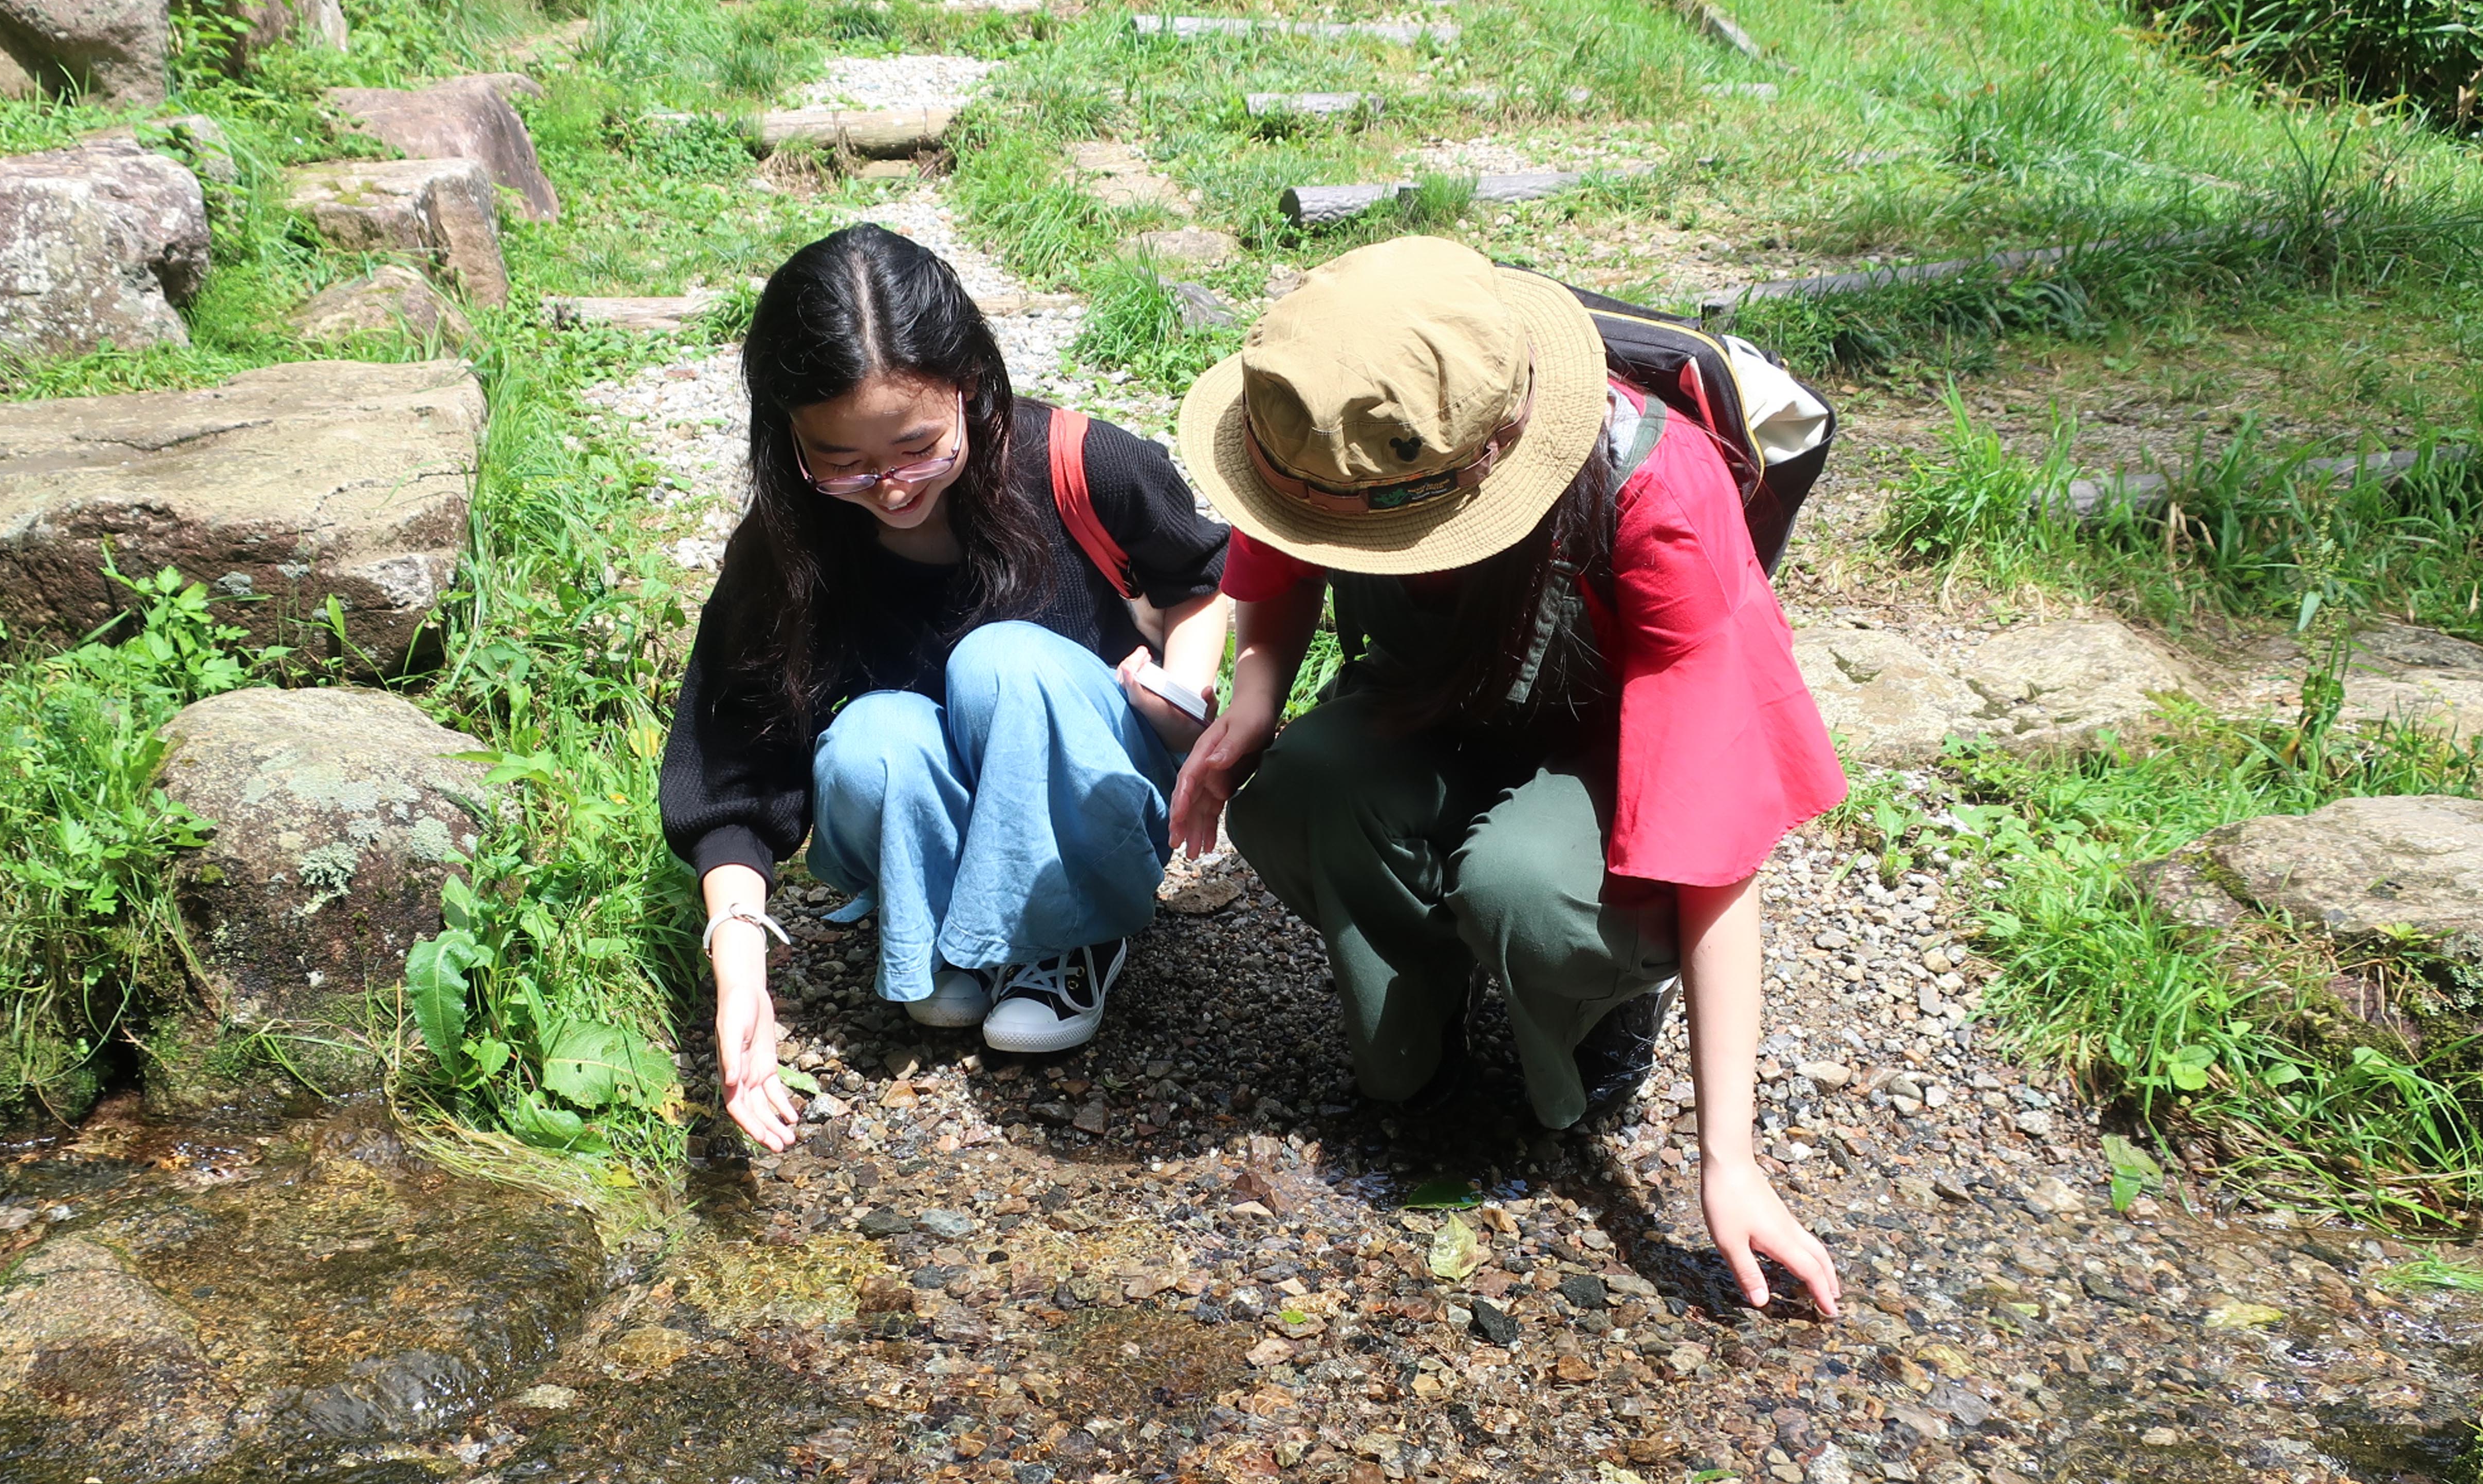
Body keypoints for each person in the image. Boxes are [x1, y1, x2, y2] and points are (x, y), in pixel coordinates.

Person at [1169, 237, 1843, 1315]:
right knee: (1304, 784)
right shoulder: (1339, 430)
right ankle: (1422, 1036)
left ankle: (1587, 1016)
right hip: (1435, 695)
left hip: (1608, 744)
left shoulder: (1659, 492)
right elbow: (1281, 553)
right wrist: (1254, 702)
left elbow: (1721, 838)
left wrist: (1730, 1157)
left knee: (1527, 892)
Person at [661, 223, 1230, 1153]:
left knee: (1004, 661)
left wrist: (1183, 692)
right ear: (788, 434)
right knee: (874, 735)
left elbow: (1199, 579)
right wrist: (741, 970)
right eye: (841, 461)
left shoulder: (1078, 462)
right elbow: (732, 770)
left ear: (969, 383)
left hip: (1087, 786)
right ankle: (935, 923)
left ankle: (1070, 936)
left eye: (918, 446)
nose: (888, 488)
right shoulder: (789, 546)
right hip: (944, 797)